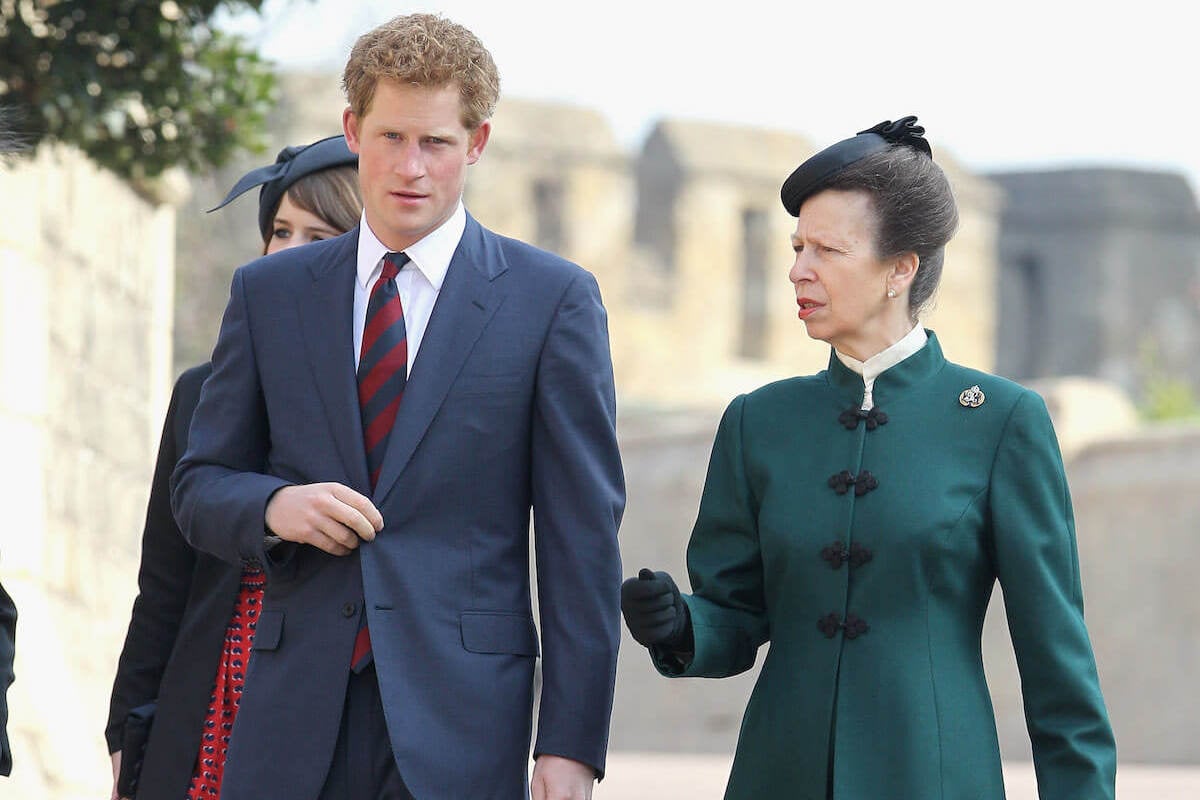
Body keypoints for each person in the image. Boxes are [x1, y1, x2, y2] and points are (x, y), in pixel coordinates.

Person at [170, 13, 624, 800]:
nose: (410, 167)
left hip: (465, 722)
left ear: (476, 143)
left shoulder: (553, 302)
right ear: (352, 130)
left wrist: (572, 744)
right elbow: (198, 484)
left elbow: (580, 540)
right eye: (389, 138)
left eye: (437, 143)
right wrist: (276, 504)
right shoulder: (269, 293)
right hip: (290, 716)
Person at [620, 117, 1116, 799]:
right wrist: (680, 623)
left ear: (900, 268)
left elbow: (1057, 663)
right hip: (777, 776)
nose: (798, 269)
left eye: (827, 249)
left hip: (934, 778)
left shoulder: (1002, 422)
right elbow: (736, 614)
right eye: (796, 246)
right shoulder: (756, 422)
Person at [106, 135, 360, 800]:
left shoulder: (389, 397)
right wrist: (124, 736)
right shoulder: (202, 391)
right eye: (280, 230)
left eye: (320, 234)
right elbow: (162, 584)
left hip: (340, 711)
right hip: (209, 708)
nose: (288, 252)